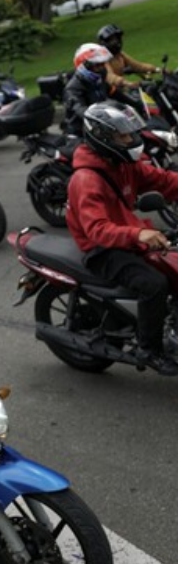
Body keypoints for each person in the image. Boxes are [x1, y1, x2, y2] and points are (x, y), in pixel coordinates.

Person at [66, 101, 178, 375]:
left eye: (130, 133)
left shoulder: (123, 162)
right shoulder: (86, 180)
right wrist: (139, 233)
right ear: (102, 137)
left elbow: (163, 180)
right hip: (102, 249)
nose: (131, 139)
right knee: (154, 284)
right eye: (123, 135)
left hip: (128, 233)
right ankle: (148, 348)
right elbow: (98, 230)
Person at [62, 43, 137, 137]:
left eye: (102, 65)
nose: (101, 69)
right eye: (97, 66)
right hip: (81, 134)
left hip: (99, 129)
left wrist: (137, 104)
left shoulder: (98, 81)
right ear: (84, 66)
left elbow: (117, 94)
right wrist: (103, 117)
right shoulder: (73, 89)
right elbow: (81, 110)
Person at [96, 24, 165, 92]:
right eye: (112, 40)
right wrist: (128, 83)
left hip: (121, 90)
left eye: (117, 38)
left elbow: (138, 66)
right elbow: (109, 76)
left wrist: (158, 69)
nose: (116, 42)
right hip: (108, 94)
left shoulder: (119, 55)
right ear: (104, 42)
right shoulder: (101, 59)